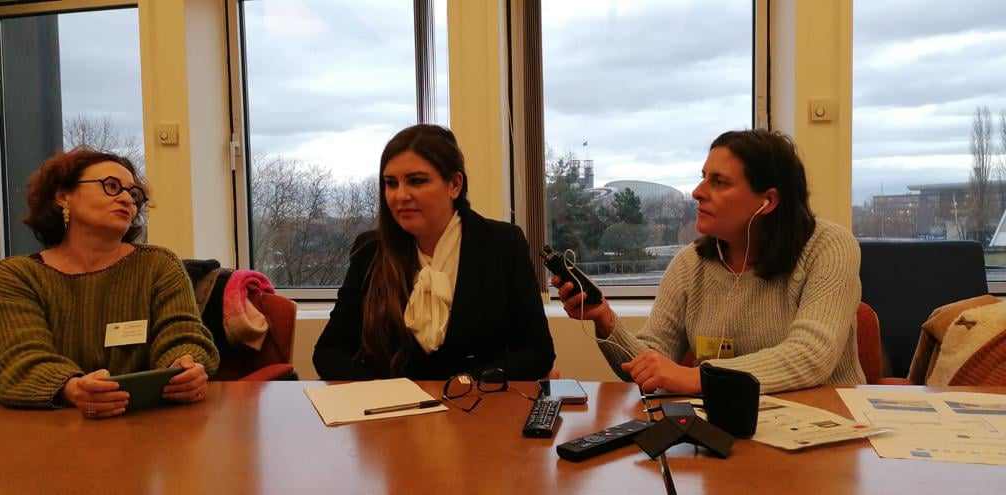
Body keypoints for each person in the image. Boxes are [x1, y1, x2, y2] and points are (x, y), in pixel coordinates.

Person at [554, 129, 865, 394]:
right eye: (703, 178)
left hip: (827, 427)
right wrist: (605, 319)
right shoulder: (691, 264)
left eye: (719, 182)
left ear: (768, 201)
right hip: (730, 432)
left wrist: (698, 377)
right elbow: (652, 363)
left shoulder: (829, 247)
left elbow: (811, 356)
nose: (697, 192)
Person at [0, 148, 220, 417]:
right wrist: (71, 388)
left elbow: (182, 333)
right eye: (111, 186)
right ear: (63, 196)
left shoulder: (160, 265)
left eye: (133, 194)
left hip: (148, 427)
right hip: (50, 431)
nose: (126, 200)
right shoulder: (16, 275)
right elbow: (17, 360)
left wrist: (185, 365)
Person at [314, 124, 555, 380]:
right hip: (394, 415)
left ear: (454, 184)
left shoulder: (503, 244)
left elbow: (538, 353)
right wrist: (384, 392)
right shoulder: (370, 251)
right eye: (391, 183)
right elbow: (328, 354)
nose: (400, 195)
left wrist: (470, 383)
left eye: (416, 181)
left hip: (479, 410)